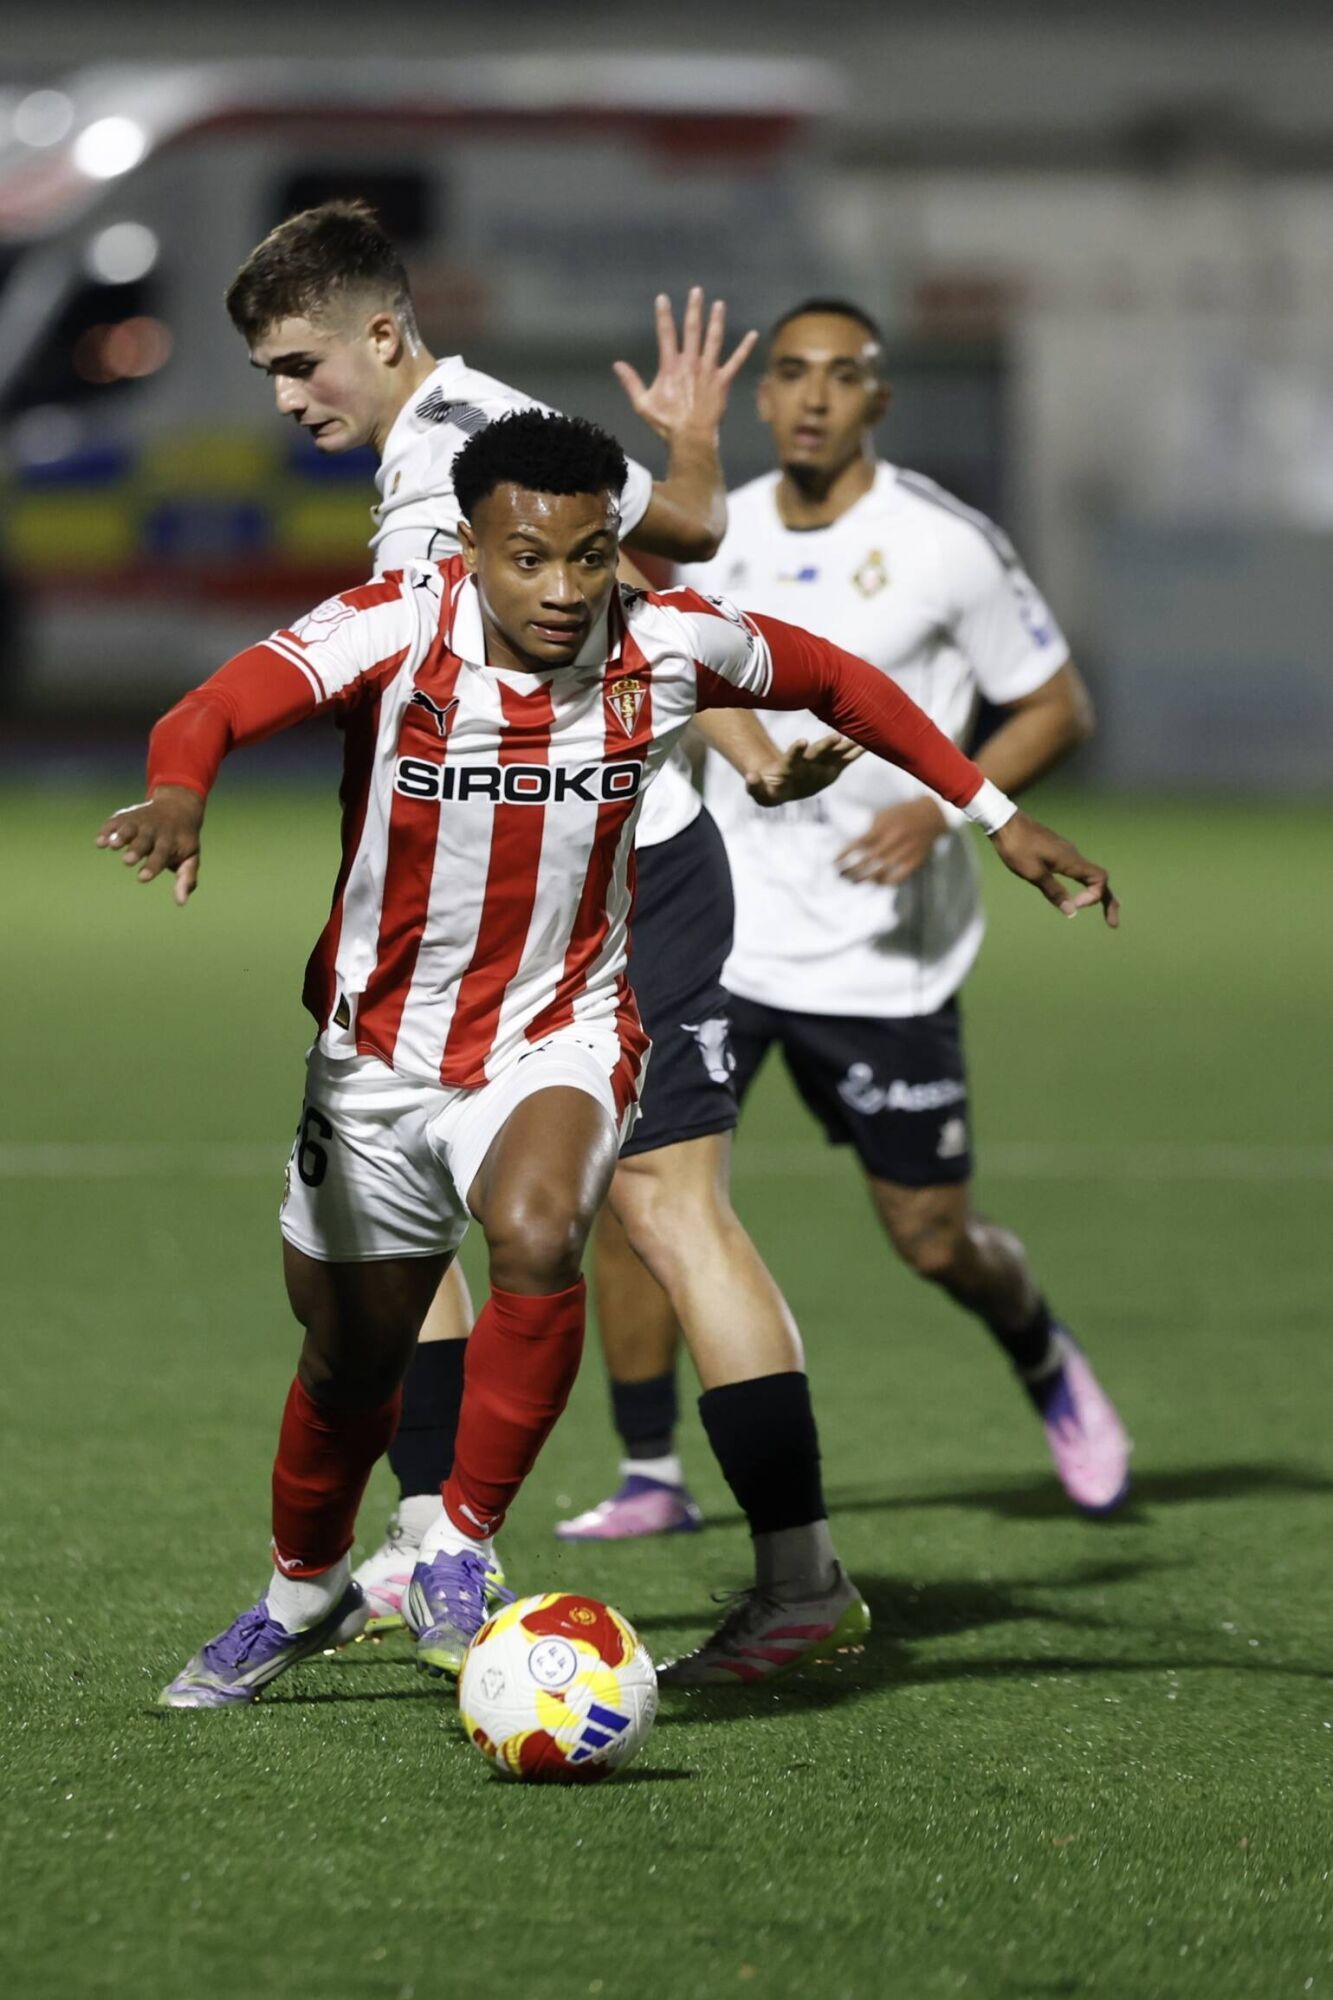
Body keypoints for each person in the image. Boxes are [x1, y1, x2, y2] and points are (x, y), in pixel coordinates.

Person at [96, 410, 1117, 1706]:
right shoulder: (394, 628)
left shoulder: (668, 646)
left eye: (591, 558)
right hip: (378, 1059)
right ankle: (301, 1589)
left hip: (560, 1033)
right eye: (530, 560)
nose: (565, 591)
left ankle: (459, 1541)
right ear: (471, 549)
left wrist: (997, 816)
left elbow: (842, 683)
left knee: (536, 1232)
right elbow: (218, 703)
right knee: (347, 1359)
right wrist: (182, 788)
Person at [225, 202, 858, 1653]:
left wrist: (739, 748)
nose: (285, 398)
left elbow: (595, 606)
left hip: (611, 884)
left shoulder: (443, 470)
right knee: (417, 1210)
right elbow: (676, 536)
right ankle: (431, 1534)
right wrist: (690, 441)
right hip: (492, 906)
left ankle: (800, 1579)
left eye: (298, 362)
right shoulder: (488, 417)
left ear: (381, 333)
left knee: (665, 1212)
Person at [566, 299, 1133, 1531]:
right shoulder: (714, 532)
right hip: (720, 930)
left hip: (883, 955)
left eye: (845, 376)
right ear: (760, 399)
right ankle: (651, 1471)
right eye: (792, 375)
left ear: (880, 399)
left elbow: (1055, 705)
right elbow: (658, 636)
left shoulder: (946, 543)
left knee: (931, 1236)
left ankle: (1041, 1353)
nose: (815, 396)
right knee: (641, 1192)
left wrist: (942, 813)